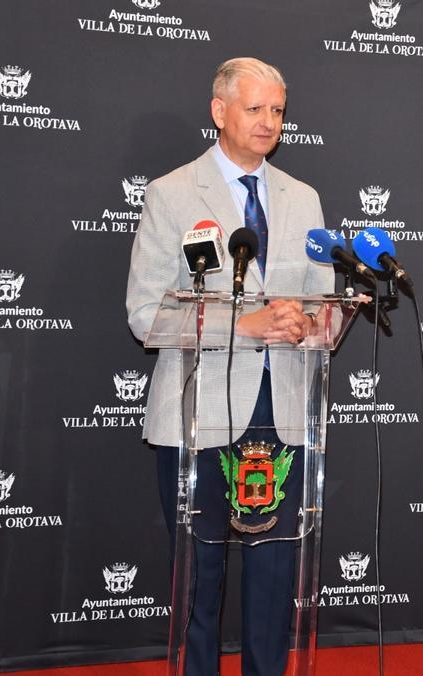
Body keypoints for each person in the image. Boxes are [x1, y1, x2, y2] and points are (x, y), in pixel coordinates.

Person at [126, 57, 332, 676]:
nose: (269, 122)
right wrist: (243, 326)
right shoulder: (172, 194)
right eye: (255, 109)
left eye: (278, 110)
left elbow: (324, 304)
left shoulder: (303, 198)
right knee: (199, 571)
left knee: (274, 577)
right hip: (199, 413)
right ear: (220, 112)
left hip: (284, 408)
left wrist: (309, 324)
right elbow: (145, 315)